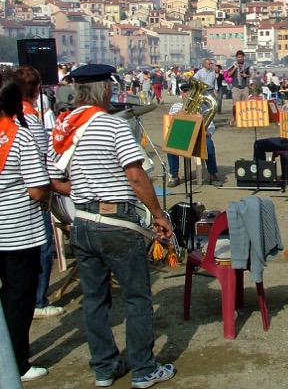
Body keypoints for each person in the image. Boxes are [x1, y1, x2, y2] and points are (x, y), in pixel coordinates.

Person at [47, 64, 176, 389]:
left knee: (94, 300)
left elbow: (54, 180)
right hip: (117, 223)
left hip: (84, 221)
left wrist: (84, 190)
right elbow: (135, 175)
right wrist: (159, 215)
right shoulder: (113, 126)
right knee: (136, 297)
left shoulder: (66, 128)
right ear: (105, 91)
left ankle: (104, 367)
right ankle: (144, 369)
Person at [0, 74, 51, 382]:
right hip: (19, 230)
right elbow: (35, 189)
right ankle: (17, 361)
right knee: (19, 298)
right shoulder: (20, 136)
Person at [14, 67, 66, 320]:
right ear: (36, 90)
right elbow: (44, 156)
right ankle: (38, 300)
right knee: (42, 247)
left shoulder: (12, 115)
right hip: (31, 194)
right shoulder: (29, 119)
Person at [167, 83, 220, 186]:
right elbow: (170, 124)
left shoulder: (203, 107)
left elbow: (211, 125)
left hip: (199, 137)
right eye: (185, 91)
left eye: (189, 91)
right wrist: (181, 113)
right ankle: (174, 175)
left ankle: (213, 175)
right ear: (181, 94)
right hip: (182, 137)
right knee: (171, 145)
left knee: (209, 145)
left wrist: (208, 132)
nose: (187, 94)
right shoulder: (175, 107)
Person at [227, 50, 250, 126]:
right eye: (238, 57)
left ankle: (242, 119)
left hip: (244, 86)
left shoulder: (246, 66)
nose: (240, 58)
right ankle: (234, 117)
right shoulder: (233, 65)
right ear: (236, 58)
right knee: (235, 105)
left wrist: (245, 75)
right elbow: (228, 75)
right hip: (236, 86)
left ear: (243, 57)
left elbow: (250, 75)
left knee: (245, 104)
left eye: (241, 57)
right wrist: (234, 68)